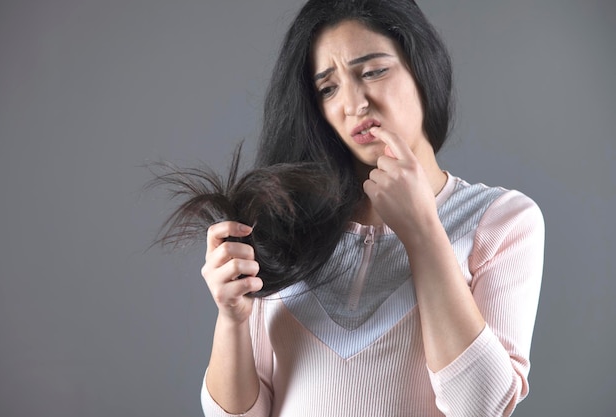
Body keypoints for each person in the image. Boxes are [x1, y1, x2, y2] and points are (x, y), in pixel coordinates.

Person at [174, 1, 545, 416]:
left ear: (423, 68)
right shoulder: (285, 222)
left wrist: (422, 230)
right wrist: (232, 319)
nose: (353, 103)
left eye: (372, 71)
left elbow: (480, 406)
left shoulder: (502, 220)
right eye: (328, 88)